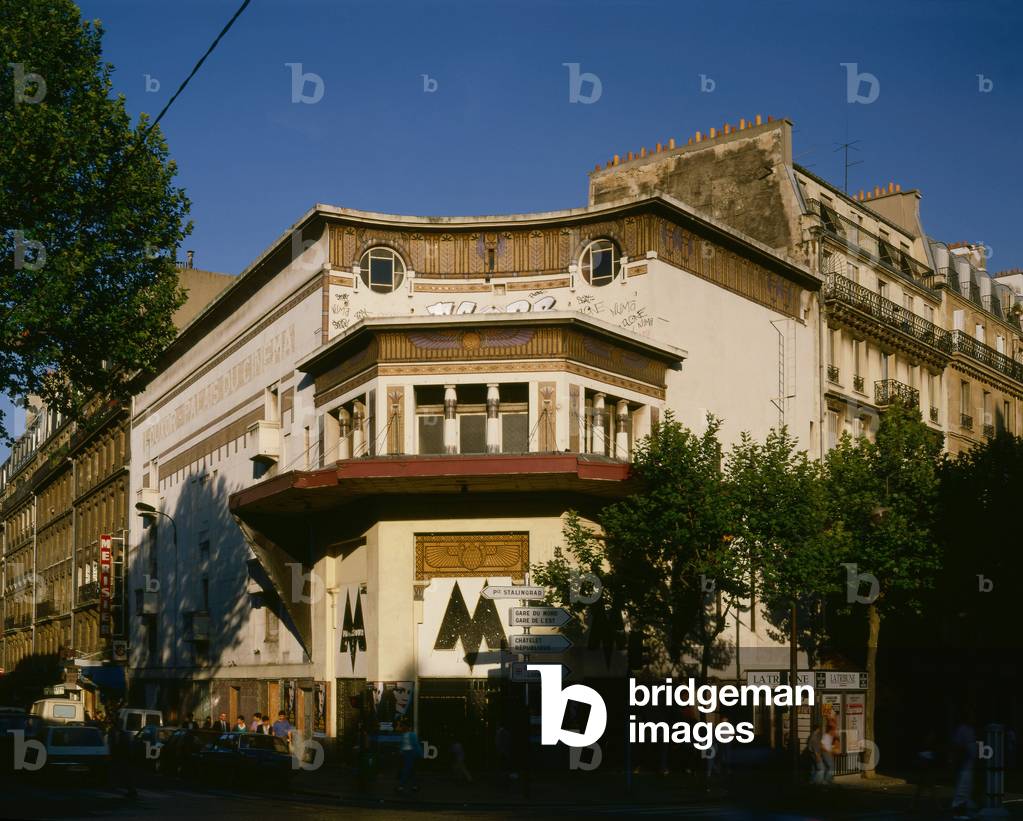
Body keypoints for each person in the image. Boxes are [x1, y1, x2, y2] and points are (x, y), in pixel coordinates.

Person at [951, 711, 976, 819]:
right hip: (965, 764)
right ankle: (958, 811)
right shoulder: (963, 729)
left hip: (969, 763)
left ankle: (963, 809)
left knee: (966, 787)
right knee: (962, 787)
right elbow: (957, 746)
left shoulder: (970, 729)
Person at [396, 718, 421, 794]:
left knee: (406, 770)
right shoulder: (405, 735)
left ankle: (401, 786)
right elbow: (403, 745)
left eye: (403, 726)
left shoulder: (411, 735)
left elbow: (415, 745)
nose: (402, 728)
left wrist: (419, 754)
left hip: (410, 754)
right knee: (411, 770)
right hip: (407, 754)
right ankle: (414, 785)